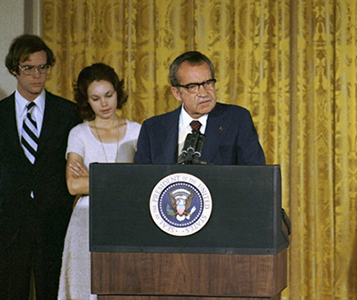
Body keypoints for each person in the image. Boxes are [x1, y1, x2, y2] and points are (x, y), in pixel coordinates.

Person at [0, 34, 81, 299]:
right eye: (28, 68)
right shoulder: (0, 114)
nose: (37, 75)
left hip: (54, 221)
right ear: (14, 69)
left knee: (52, 292)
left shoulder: (68, 113)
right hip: (10, 224)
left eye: (42, 67)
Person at [57, 63, 141, 300]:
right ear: (86, 100)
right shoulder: (79, 133)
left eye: (108, 95)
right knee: (85, 290)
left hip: (127, 221)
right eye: (95, 98)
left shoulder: (137, 131)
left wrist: (92, 178)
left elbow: (142, 184)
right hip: (86, 221)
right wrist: (122, 179)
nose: (104, 104)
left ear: (118, 93)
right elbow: (73, 185)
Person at [134, 51, 265, 165]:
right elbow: (142, 181)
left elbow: (255, 176)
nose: (204, 93)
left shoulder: (237, 120)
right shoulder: (153, 129)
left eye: (208, 83)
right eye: (192, 87)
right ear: (176, 93)